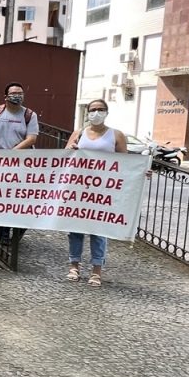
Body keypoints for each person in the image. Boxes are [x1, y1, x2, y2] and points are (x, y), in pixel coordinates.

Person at [63, 99, 127, 287]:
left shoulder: (116, 135)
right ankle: (74, 265)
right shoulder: (79, 133)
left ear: (107, 112)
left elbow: (126, 162)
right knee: (75, 229)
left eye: (101, 109)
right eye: (93, 110)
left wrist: (141, 171)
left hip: (102, 190)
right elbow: (64, 156)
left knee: (99, 230)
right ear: (87, 113)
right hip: (78, 189)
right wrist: (71, 150)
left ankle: (96, 270)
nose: (96, 113)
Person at [0, 82, 39, 244]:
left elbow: (31, 138)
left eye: (20, 93)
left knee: (22, 200)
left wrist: (13, 152)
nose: (17, 96)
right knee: (3, 199)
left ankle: (18, 230)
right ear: (6, 96)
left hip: (21, 164)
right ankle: (4, 233)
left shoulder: (29, 115)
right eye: (14, 93)